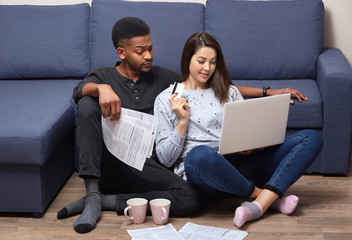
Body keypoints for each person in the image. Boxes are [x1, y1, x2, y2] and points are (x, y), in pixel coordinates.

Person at [57, 17, 309, 233]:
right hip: (116, 159)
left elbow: (204, 83)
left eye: (151, 48)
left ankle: (108, 201)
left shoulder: (161, 75)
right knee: (87, 104)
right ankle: (92, 195)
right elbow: (78, 91)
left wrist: (267, 92)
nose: (149, 55)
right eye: (140, 50)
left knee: (190, 199)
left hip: (150, 162)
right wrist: (100, 88)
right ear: (122, 53)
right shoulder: (103, 76)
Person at [154, 32, 323, 229]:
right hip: (206, 174)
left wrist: (252, 144)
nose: (207, 68)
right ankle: (266, 197)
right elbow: (165, 159)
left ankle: (258, 204)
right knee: (199, 155)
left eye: (213, 62)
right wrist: (182, 122)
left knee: (311, 138)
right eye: (201, 61)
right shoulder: (166, 99)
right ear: (187, 59)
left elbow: (246, 130)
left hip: (241, 165)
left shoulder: (229, 91)